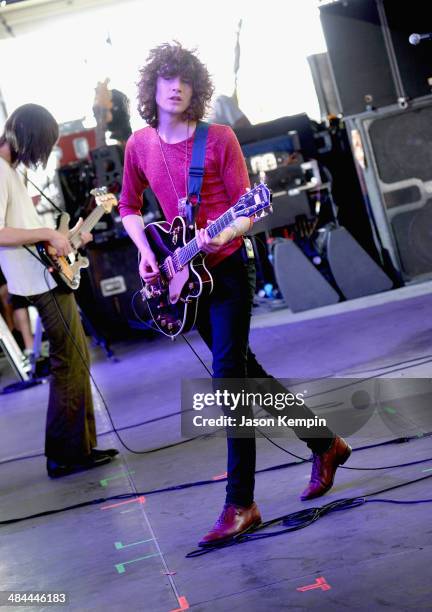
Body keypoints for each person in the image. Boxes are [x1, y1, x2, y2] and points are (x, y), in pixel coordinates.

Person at [118, 42, 351, 546]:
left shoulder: (219, 139)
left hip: (225, 274)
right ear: (152, 88)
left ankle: (241, 503)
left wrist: (220, 234)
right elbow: (128, 205)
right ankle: (325, 443)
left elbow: (249, 209)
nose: (176, 86)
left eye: (185, 79)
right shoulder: (139, 145)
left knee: (229, 379)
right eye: (167, 78)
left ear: (196, 90)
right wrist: (145, 252)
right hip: (183, 280)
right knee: (246, 371)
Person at [0, 103, 118, 477]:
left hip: (45, 273)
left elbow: (29, 233)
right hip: (36, 279)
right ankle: (65, 454)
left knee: (77, 357)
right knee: (69, 360)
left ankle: (80, 447)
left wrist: (67, 238)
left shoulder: (13, 173)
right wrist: (49, 233)